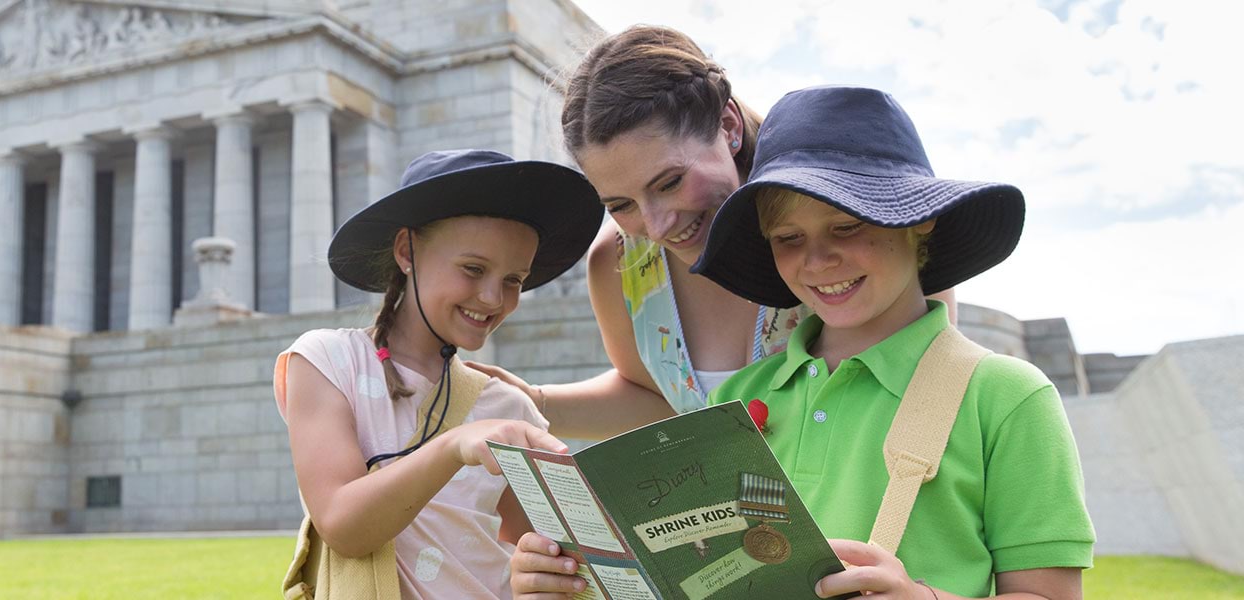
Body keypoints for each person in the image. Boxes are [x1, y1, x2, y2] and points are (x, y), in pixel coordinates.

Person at [512, 86, 1094, 599]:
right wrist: (572, 579)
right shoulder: (739, 398)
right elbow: (705, 574)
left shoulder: (1006, 396)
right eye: (788, 238)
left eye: (848, 226)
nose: (817, 259)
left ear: (920, 222)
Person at [469, 24, 956, 440]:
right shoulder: (619, 265)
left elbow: (935, 383)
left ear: (727, 126)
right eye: (619, 204)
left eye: (670, 182)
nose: (656, 226)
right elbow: (660, 401)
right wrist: (530, 401)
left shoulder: (855, 224)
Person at [273, 149, 605, 598]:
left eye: (514, 280)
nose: (492, 297)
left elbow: (544, 552)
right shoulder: (327, 362)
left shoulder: (508, 408)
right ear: (407, 251)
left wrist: (545, 575)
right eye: (473, 269)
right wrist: (455, 445)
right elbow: (342, 525)